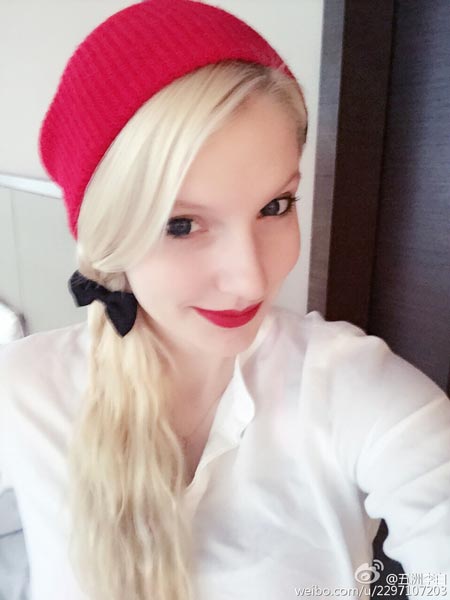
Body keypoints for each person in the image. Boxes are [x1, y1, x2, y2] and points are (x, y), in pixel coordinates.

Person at [0, 1, 449, 599]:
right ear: (110, 237)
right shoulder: (25, 389)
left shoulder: (352, 390)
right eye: (182, 224)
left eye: (275, 206)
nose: (251, 280)